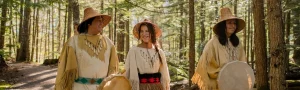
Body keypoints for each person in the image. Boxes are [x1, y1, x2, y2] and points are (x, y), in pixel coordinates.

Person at [55, 7, 119, 90]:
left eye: (102, 20)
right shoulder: (73, 42)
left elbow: (113, 71)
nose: (101, 23)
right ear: (89, 23)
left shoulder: (108, 43)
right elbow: (64, 70)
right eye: (98, 20)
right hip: (79, 87)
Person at [191, 7, 247, 90]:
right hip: (219, 83)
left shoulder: (237, 43)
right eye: (230, 23)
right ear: (223, 25)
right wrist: (225, 73)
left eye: (234, 23)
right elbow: (208, 66)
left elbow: (242, 63)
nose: (233, 26)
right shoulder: (213, 43)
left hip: (235, 83)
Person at [125, 19, 170, 90]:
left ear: (152, 33)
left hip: (158, 87)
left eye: (147, 31)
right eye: (142, 31)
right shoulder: (134, 51)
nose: (144, 34)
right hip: (141, 87)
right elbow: (129, 73)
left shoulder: (159, 52)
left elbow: (164, 75)